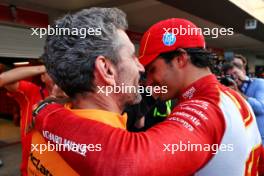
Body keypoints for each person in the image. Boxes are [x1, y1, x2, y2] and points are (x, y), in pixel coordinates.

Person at [32, 8, 262, 176]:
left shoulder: (207, 104)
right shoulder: (225, 96)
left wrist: (45, 113)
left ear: (181, 59)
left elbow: (128, 162)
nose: (145, 75)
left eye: (152, 68)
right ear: (106, 69)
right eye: (134, 57)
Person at [0, 64, 53, 176]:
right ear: (42, 77)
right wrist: (44, 67)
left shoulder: (74, 97)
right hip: (32, 166)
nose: (57, 75)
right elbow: (4, 79)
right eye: (52, 72)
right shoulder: (33, 92)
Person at [226, 55, 264, 144]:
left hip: (259, 140)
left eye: (237, 66)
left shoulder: (259, 83)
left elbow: (261, 108)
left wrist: (238, 93)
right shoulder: (227, 87)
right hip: (241, 141)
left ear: (243, 70)